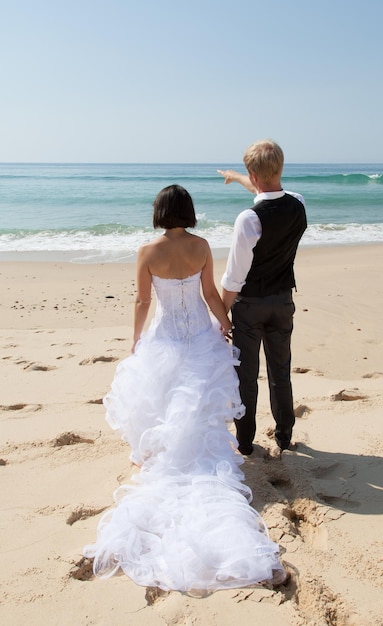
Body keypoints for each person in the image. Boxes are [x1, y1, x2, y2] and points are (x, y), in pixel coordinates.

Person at [83, 184, 287, 591]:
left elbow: (143, 302)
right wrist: (225, 325)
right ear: (189, 212)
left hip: (166, 337)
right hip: (199, 337)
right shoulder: (202, 246)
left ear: (159, 212)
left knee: (159, 398)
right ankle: (199, 454)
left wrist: (137, 339)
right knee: (200, 401)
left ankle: (160, 454)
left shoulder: (147, 251)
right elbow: (211, 294)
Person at [219, 140, 307, 457]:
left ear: (253, 175)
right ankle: (284, 436)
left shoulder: (248, 219)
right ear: (280, 168)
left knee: (247, 377)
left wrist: (220, 313)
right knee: (280, 371)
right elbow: (267, 193)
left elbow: (234, 277)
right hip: (283, 302)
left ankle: (245, 442)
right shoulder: (298, 203)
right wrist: (237, 177)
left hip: (251, 306)